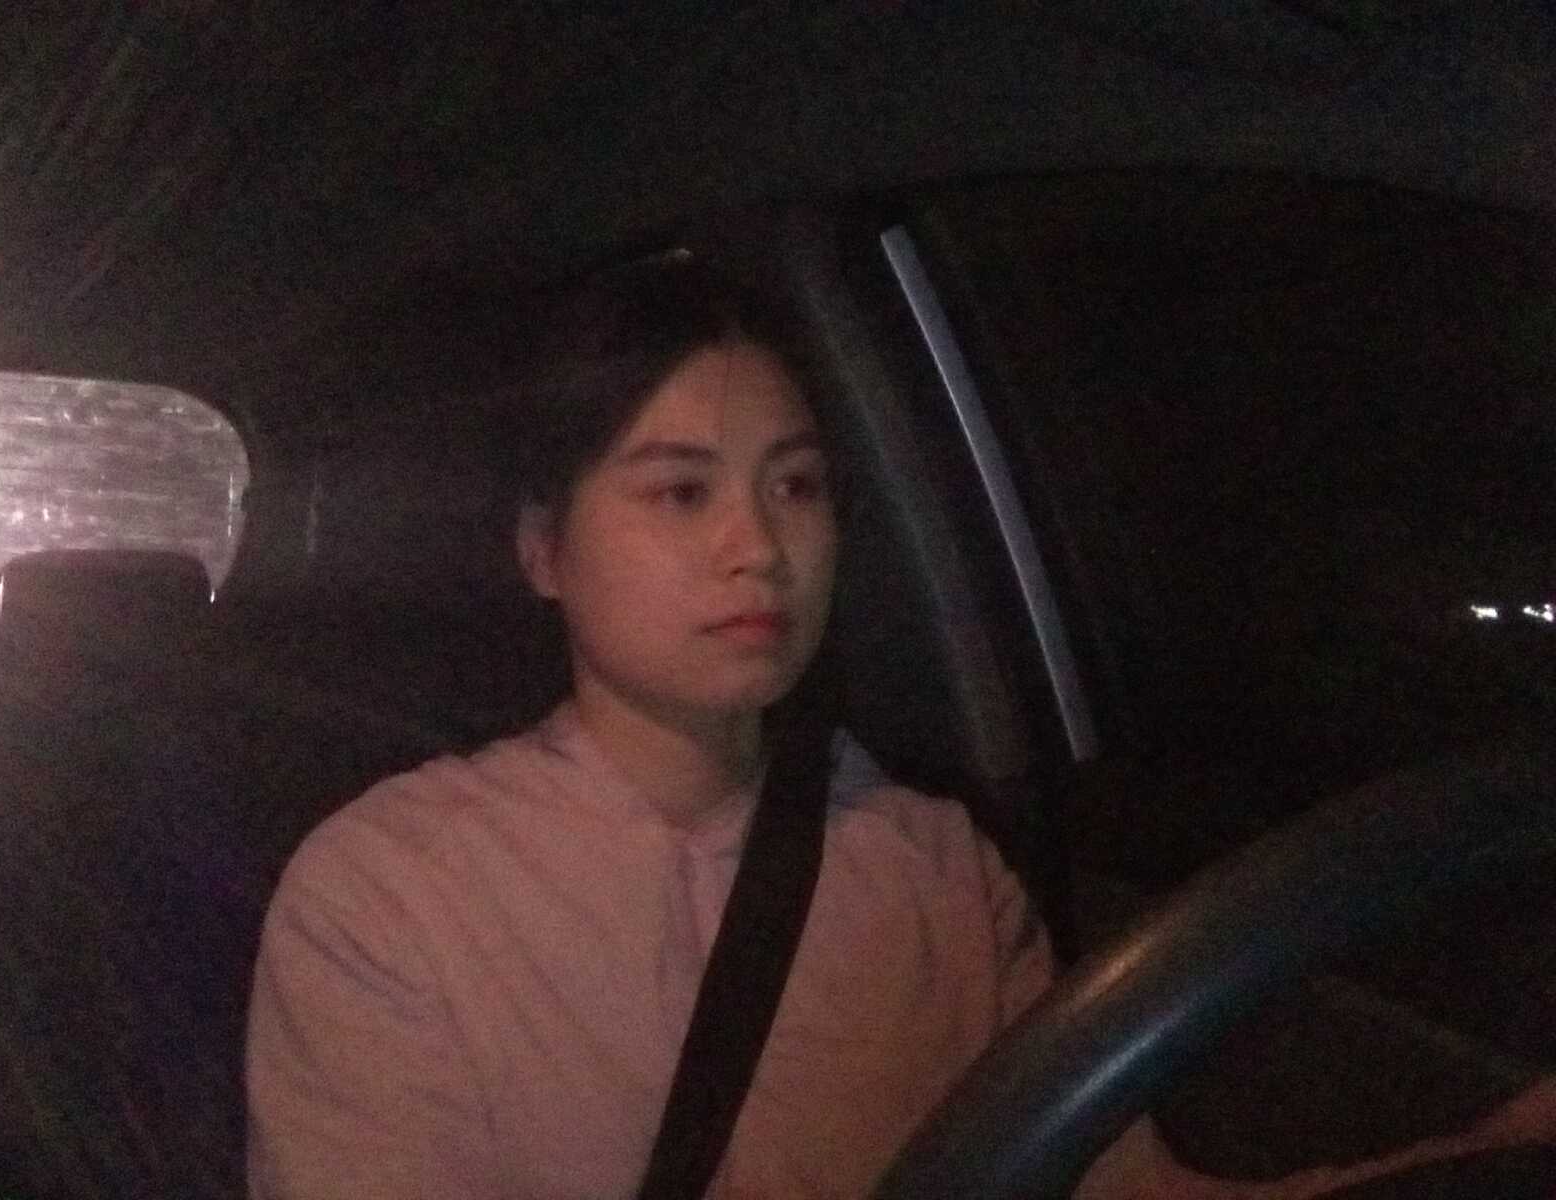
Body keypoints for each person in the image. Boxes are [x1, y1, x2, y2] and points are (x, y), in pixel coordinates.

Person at [244, 258, 1556, 1199]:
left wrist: (1471, 1156)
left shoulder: (933, 869)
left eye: (797, 486)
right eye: (681, 492)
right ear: (545, 549)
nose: (759, 548)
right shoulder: (389, 896)